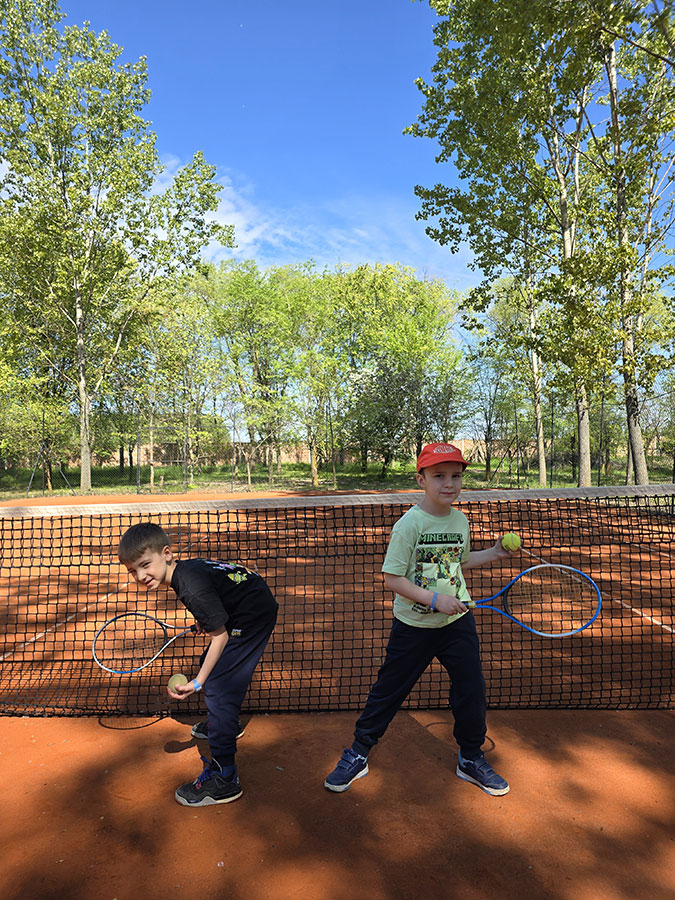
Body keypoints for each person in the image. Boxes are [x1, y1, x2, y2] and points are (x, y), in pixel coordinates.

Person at [324, 442, 518, 797]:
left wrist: (493, 552)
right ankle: (358, 752)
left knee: (471, 690)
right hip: (413, 627)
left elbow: (457, 561)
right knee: (388, 691)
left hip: (456, 624)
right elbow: (392, 579)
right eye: (439, 476)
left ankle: (470, 757)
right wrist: (435, 600)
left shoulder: (460, 520)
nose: (449, 484)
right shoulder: (409, 525)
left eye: (456, 476)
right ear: (421, 479)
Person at [117, 522, 278, 807]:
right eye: (132, 571)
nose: (140, 576)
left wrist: (198, 683)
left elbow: (220, 636)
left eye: (145, 565)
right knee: (211, 664)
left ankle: (225, 778)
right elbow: (218, 591)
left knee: (217, 686)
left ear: (167, 554)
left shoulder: (190, 587)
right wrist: (210, 618)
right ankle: (226, 723)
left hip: (254, 614)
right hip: (248, 600)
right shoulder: (185, 572)